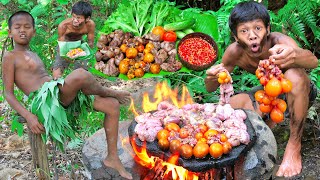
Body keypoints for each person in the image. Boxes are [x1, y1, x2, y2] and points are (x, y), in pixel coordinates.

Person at [2, 11, 133, 179]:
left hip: (57, 93)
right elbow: (8, 93)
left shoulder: (32, 54)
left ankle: (112, 158)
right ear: (9, 32)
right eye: (17, 27)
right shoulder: (9, 56)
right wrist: (28, 116)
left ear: (34, 32)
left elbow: (44, 77)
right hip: (48, 103)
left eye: (27, 27)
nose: (22, 30)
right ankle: (111, 92)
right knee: (80, 74)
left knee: (112, 106)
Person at [205, 1, 318, 178]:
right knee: (231, 104)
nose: (252, 36)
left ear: (268, 28)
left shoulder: (279, 41)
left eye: (257, 28)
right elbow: (212, 86)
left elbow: (313, 61)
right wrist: (210, 77)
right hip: (269, 96)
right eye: (244, 31)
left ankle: (294, 144)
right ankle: (266, 125)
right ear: (235, 36)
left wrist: (294, 55)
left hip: (298, 92)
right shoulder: (234, 53)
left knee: (294, 75)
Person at [52, 1, 96, 80]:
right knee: (57, 70)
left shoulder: (90, 25)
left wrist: (84, 53)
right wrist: (66, 56)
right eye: (73, 16)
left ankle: (78, 86)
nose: (75, 20)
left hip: (79, 45)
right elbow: (61, 46)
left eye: (79, 18)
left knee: (81, 72)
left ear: (87, 18)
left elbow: (90, 42)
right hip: (65, 45)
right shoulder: (63, 26)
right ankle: (56, 86)